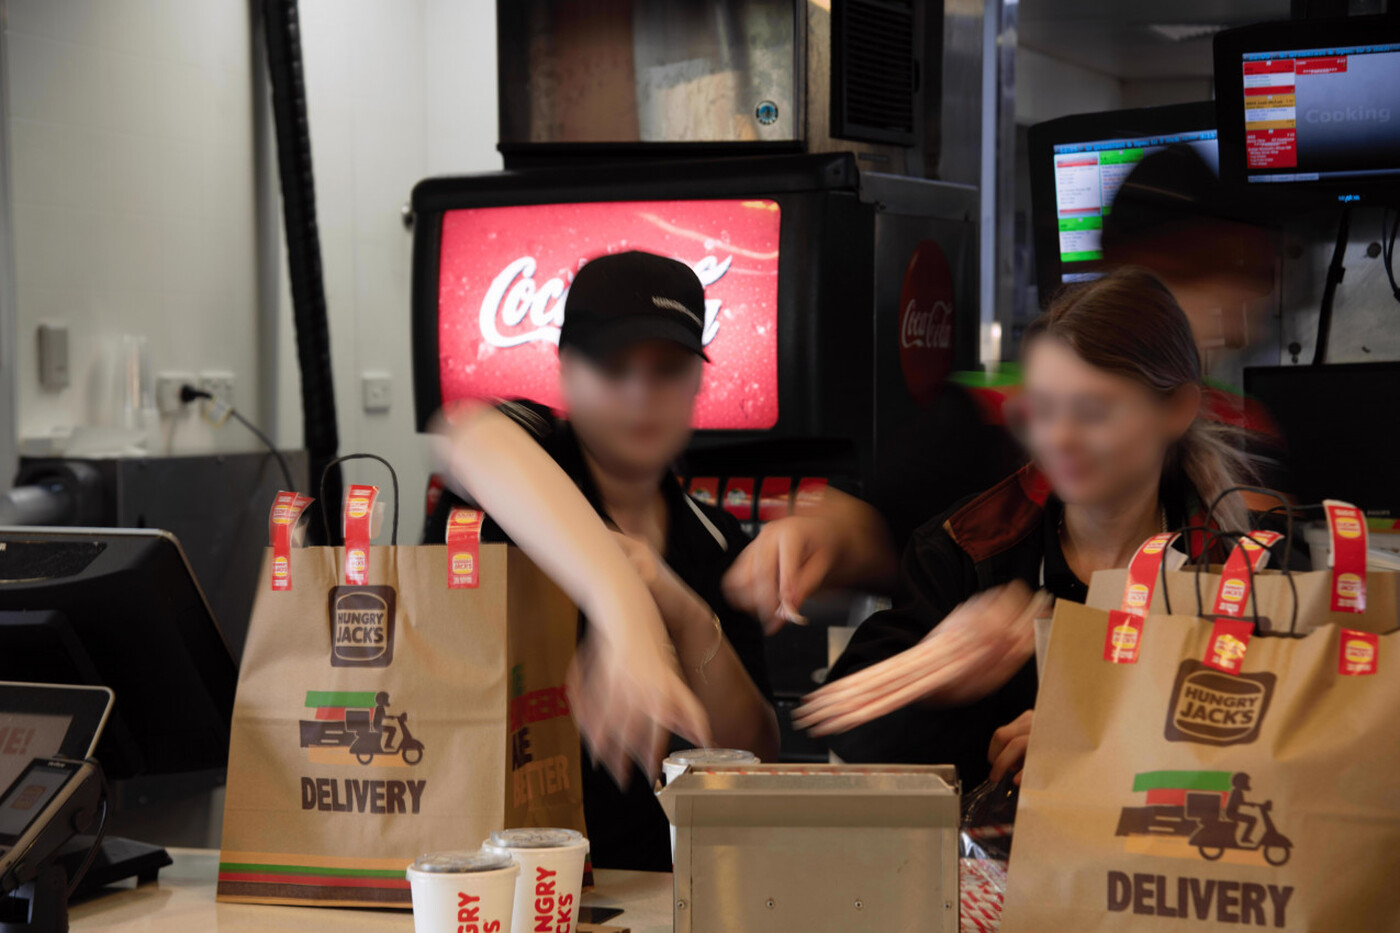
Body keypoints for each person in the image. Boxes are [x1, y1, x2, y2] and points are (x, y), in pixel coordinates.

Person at [789, 267, 1256, 787]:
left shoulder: (1240, 571)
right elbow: (844, 727)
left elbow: (1288, 744)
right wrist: (937, 676)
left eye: (1093, 411)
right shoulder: (970, 550)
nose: (1059, 438)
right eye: (1044, 409)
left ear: (1178, 409)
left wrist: (1102, 738)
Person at [430, 250, 779, 871]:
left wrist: (680, 609)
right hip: (493, 885)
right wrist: (627, 613)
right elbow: (468, 435)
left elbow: (756, 757)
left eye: (667, 369)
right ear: (566, 370)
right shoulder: (530, 454)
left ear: (698, 381)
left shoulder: (716, 538)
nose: (640, 393)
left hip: (657, 888)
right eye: (614, 366)